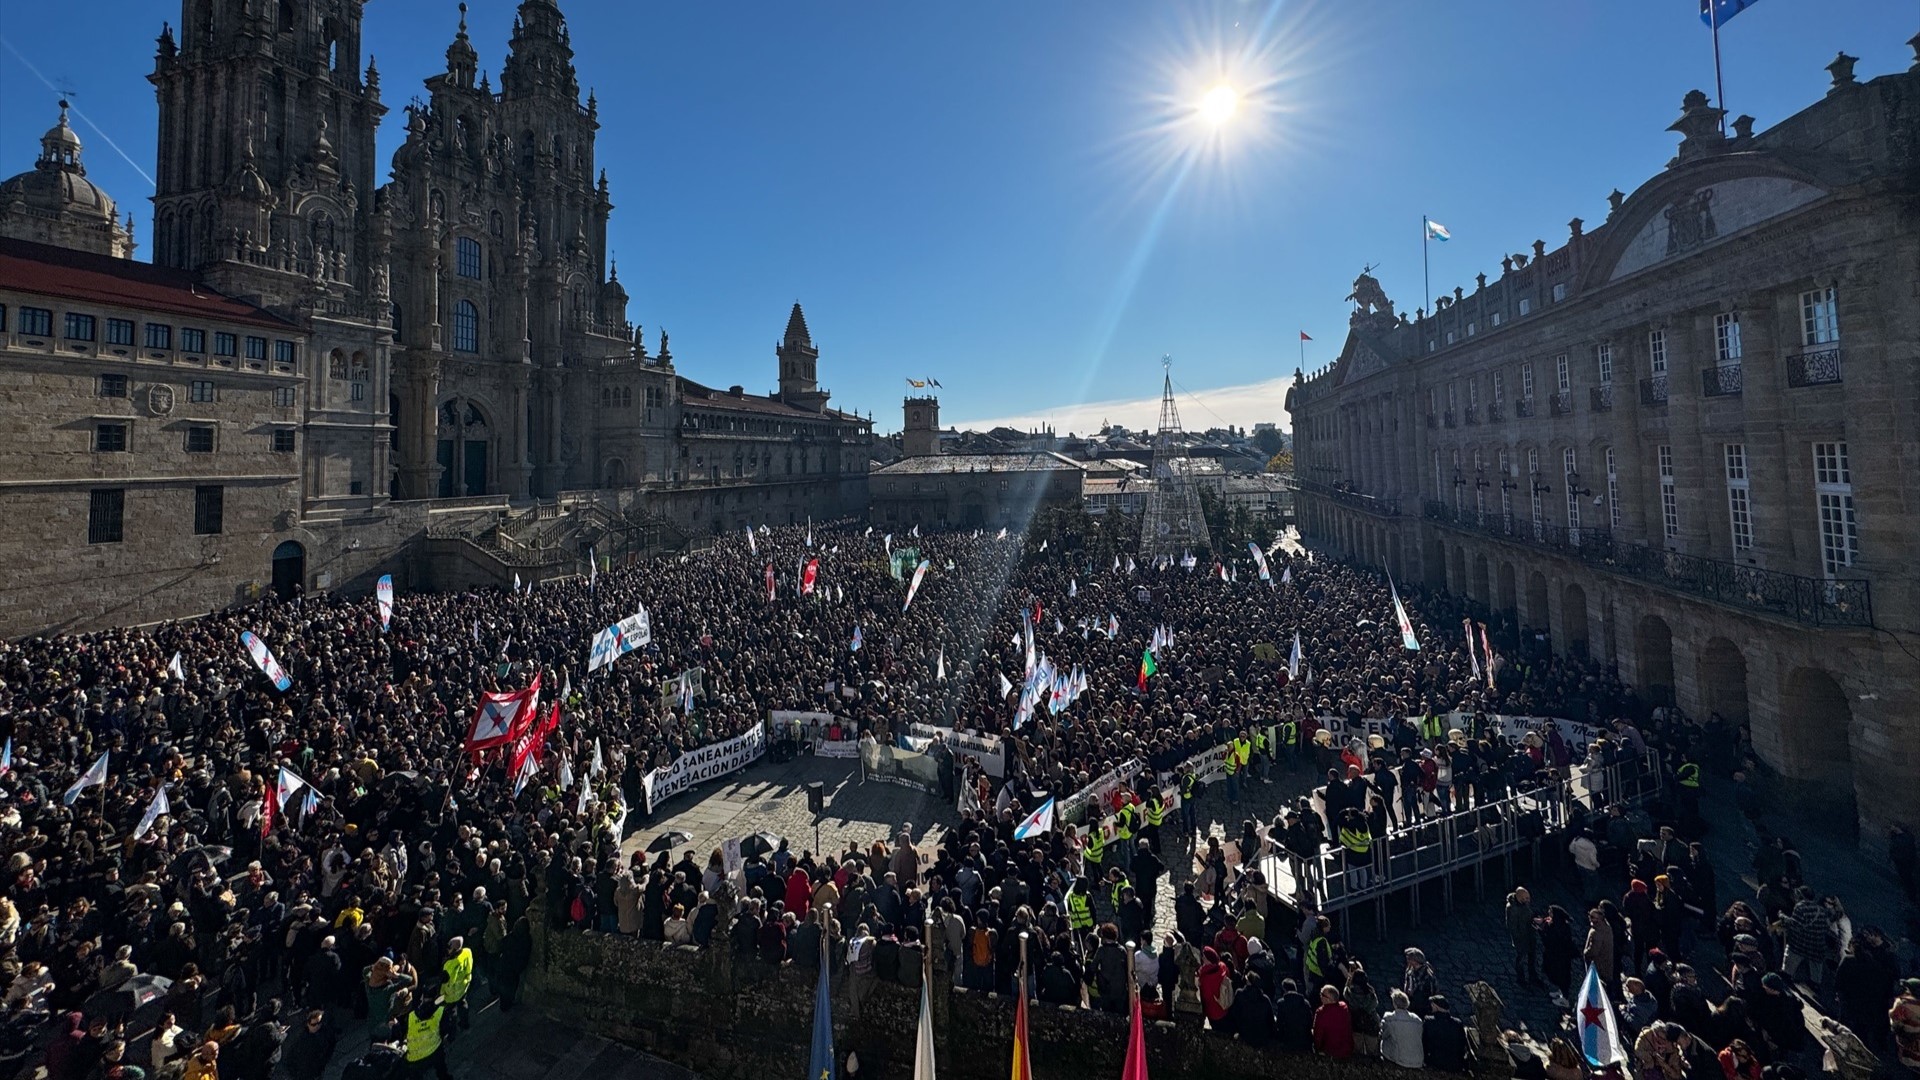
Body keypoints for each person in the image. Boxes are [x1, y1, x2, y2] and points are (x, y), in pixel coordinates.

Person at [403, 994, 452, 1080]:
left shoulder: (410, 1016)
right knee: (441, 1067)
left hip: (414, 1058)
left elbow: (404, 1033)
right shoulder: (440, 1011)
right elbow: (446, 1030)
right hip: (434, 1050)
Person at [1421, 996, 1473, 1073]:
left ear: (1435, 1006)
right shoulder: (1457, 1023)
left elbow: (1424, 1042)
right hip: (1454, 1064)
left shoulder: (1429, 1021)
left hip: (1435, 1062)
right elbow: (1462, 1044)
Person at [282, 1010, 339, 1080]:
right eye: (314, 1024)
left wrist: (322, 1063)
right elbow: (291, 1054)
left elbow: (330, 1047)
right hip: (302, 1071)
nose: (317, 1026)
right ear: (308, 1024)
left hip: (315, 1070)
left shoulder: (325, 1034)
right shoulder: (300, 1037)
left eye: (319, 1023)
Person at [1381, 989, 1425, 1068]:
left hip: (1399, 1059)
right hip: (1417, 1060)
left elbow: (1383, 1035)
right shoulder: (1417, 1020)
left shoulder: (1390, 1018)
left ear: (1394, 1004)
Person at [1507, 886, 1540, 985]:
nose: (1528, 900)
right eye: (1526, 898)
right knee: (1521, 959)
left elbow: (1529, 915)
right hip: (1521, 938)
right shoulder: (1512, 908)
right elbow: (1512, 926)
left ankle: (1532, 977)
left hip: (1530, 935)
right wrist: (1519, 939)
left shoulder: (1524, 904)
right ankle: (1521, 979)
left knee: (1532, 957)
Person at [1313, 984, 1355, 1060]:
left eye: (1322, 994)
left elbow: (1318, 1033)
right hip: (1347, 1050)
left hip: (1330, 1052)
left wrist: (1317, 1048)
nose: (1320, 996)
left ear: (1329, 999)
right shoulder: (1344, 1007)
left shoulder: (1321, 1012)